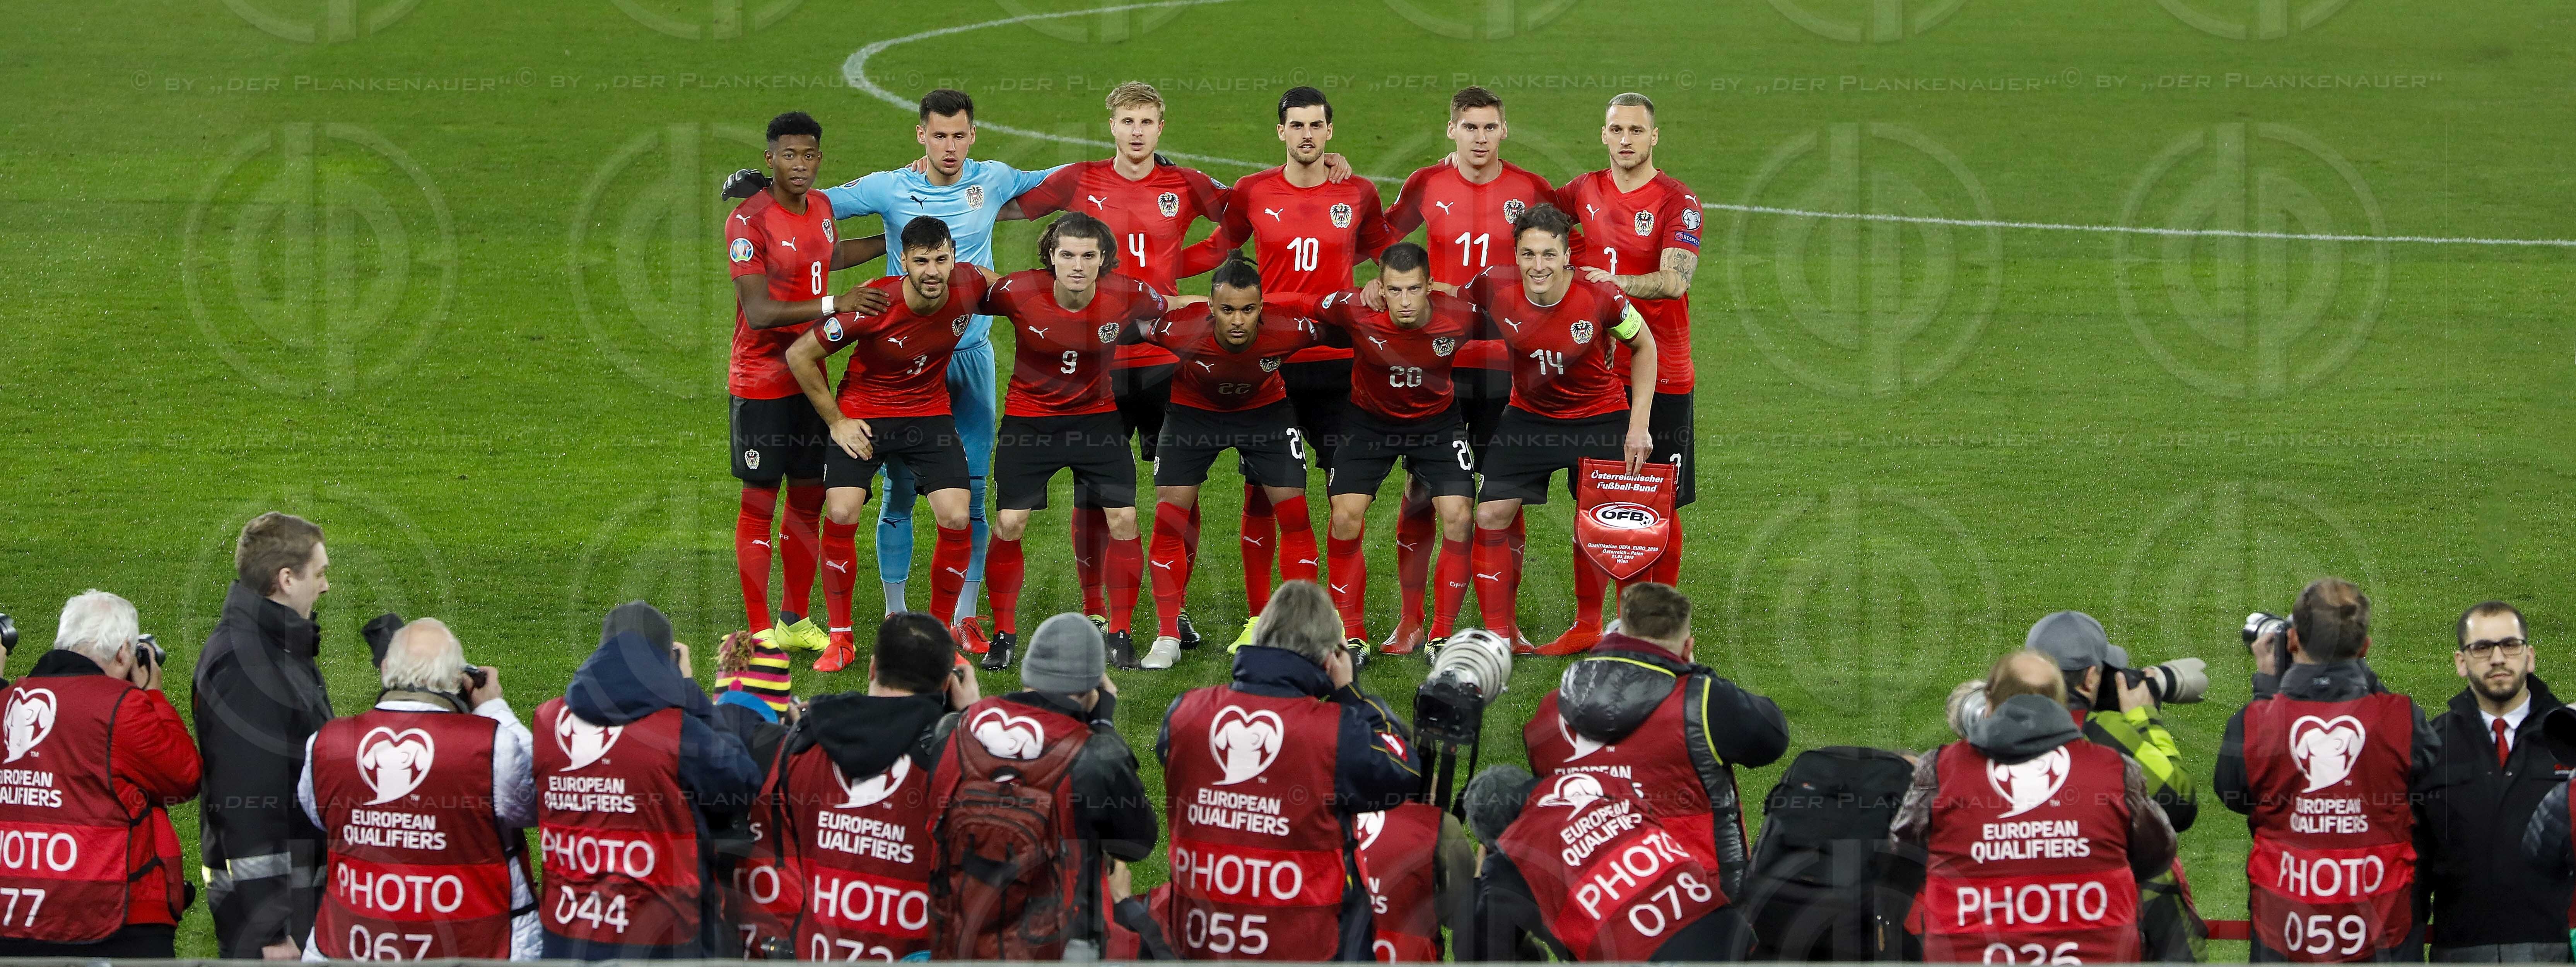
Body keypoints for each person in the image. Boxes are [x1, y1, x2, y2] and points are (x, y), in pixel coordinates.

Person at [1195, 87, 1401, 646]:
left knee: (1345, 501)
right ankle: (1261, 620)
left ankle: (1347, 628)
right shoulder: (1253, 190)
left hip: (1340, 366)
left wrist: (1384, 285)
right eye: (1297, 125)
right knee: (1262, 493)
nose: (1307, 134)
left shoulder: (1357, 191)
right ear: (1280, 132)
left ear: (1329, 131)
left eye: (1316, 125)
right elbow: (1217, 249)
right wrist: (1153, 271)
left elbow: (1387, 252)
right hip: (1271, 364)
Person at [1375, 84, 1560, 656]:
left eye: (1490, 127)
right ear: (1452, 130)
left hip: (1510, 366)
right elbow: (1379, 238)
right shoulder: (1426, 184)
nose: (1480, 138)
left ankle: (1505, 624)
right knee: (1421, 490)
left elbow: (1562, 255)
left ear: (1505, 130)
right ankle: (1412, 621)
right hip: (1440, 365)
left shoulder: (1530, 189)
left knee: (1507, 494)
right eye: (1470, 127)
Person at [1155, 580, 1421, 960]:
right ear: (1329, 657)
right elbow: (1403, 770)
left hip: (1201, 943)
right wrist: (1350, 691)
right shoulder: (1336, 732)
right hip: (1308, 946)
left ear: (1260, 636)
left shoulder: (1185, 713)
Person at [783, 216, 995, 672]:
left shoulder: (970, 283)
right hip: (866, 413)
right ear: (904, 261)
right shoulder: (876, 303)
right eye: (921, 261)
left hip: (928, 413)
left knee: (957, 515)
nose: (932, 271)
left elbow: (1015, 292)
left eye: (941, 259)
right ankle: (841, 638)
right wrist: (837, 421)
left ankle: (937, 637)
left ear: (954, 258)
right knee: (842, 511)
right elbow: (799, 354)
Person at [723, 110, 891, 659]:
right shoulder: (747, 222)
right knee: (759, 504)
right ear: (770, 158)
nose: (800, 165)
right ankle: (758, 632)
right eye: (789, 155)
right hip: (761, 382)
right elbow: (759, 311)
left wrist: (889, 240)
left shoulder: (820, 207)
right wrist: (836, 303)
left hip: (810, 379)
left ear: (821, 158)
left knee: (807, 499)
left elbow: (827, 255)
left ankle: (793, 619)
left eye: (809, 155)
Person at [1891, 651, 2177, 964]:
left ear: (1989, 700)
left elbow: (1901, 855)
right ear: (2062, 702)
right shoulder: (2113, 768)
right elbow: (2158, 852)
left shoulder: (1941, 769)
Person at [974, 213, 1168, 671]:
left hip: (1096, 420)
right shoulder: (1018, 290)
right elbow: (972, 285)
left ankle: (1120, 633)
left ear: (1104, 259)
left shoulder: (1129, 293)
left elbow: (1169, 306)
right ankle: (1004, 634)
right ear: (1051, 256)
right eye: (1067, 255)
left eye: (1088, 256)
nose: (1077, 265)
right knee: (1010, 521)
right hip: (1030, 421)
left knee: (1124, 517)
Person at [1462, 204, 1657, 650]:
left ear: (1568, 255)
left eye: (1549, 254)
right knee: (1490, 514)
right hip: (1529, 416)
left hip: (1598, 416)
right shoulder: (1493, 284)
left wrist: (1638, 426)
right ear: (1516, 254)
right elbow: (1447, 299)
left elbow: (1645, 345)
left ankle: (1591, 626)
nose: (1538, 265)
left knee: (1604, 523)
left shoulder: (1601, 295)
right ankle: (1499, 635)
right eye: (1528, 254)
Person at [1548, 91, 1702, 650]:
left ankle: (1654, 631)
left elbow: (1675, 281)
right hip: (1592, 370)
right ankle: (1588, 624)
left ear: (1654, 137)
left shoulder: (1678, 202)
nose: (1626, 139)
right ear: (1604, 134)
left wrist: (1610, 285)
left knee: (1658, 499)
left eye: (1637, 130)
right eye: (1617, 129)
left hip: (1663, 371)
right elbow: (1526, 214)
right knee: (1594, 495)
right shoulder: (1581, 191)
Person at [2216, 577, 2438, 962]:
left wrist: (2269, 687)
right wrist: (2360, 678)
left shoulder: (2254, 723)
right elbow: (2426, 778)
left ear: (2292, 640)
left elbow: (2234, 792)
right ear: (2365, 647)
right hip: (2385, 935)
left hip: (2284, 936)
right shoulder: (2402, 719)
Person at [1523, 582, 1785, 899]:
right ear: (1687, 647)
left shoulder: (1552, 710)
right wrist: (1698, 675)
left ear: (1616, 634)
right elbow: (1773, 737)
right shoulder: (1703, 700)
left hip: (1594, 895)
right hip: (1695, 895)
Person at [536, 601, 764, 959]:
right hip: (663, 941)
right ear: (664, 659)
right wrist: (689, 690)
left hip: (565, 935)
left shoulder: (547, 720)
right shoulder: (676, 730)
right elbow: (741, 781)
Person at [297, 619, 536, 959]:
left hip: (351, 946)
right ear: (457, 680)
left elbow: (320, 815)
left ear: (386, 670)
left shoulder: (326, 743)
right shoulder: (490, 744)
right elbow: (543, 799)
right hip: (478, 945)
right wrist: (494, 707)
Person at [929, 613, 1158, 959]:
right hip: (1056, 948)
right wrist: (1103, 727)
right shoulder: (1095, 757)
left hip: (956, 940)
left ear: (1028, 675)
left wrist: (967, 712)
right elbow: (1138, 843)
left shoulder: (954, 729)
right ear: (1092, 688)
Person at [747, 612, 974, 961]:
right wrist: (973, 714)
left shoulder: (802, 745)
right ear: (947, 686)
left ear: (871, 669)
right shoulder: (958, 762)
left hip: (814, 952)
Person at [1137, 254, 1326, 670]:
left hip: (1265, 414)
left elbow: (1343, 327)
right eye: (1227, 310)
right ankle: (1167, 636)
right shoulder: (1179, 328)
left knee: (1295, 514)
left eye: (1248, 309)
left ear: (1263, 307)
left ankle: (1302, 633)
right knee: (1169, 518)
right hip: (1192, 415)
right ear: (1210, 306)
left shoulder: (1289, 329)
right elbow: (1127, 325)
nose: (1238, 320)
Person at [1293, 242, 1480, 656]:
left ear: (1430, 286)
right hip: (1369, 422)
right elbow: (1305, 303)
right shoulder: (1355, 308)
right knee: (1345, 515)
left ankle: (1441, 634)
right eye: (1394, 290)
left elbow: (1522, 320)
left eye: (1414, 289)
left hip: (1436, 423)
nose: (1405, 301)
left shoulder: (1460, 315)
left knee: (1460, 516)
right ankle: (1350, 634)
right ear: (1380, 287)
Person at [0, 591, 197, 958]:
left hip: (14, 917)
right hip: (111, 920)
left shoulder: (7, 700)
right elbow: (183, 776)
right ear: (124, 653)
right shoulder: (121, 707)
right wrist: (154, 696)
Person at [2024, 610, 2207, 960]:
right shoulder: (2105, 730)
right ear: (2090, 678)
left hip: (2026, 912)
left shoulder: (1996, 732)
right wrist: (2144, 718)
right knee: (2156, 868)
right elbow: (2180, 802)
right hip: (2104, 915)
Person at [196, 510, 335, 958]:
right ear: (287, 579)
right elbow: (247, 799)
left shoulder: (276, 647)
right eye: (320, 573)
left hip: (293, 895)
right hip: (279, 914)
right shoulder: (249, 664)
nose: (326, 586)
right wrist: (271, 929)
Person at [1459, 763, 1737, 961]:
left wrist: (1481, 876)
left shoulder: (1511, 859)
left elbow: (1476, 956)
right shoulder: (1603, 784)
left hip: (1652, 956)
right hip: (1728, 928)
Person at [2424, 600, 2571, 961]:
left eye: (2510, 645)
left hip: (2554, 948)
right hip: (2460, 949)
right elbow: (2414, 857)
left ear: (2529, 656)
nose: (2498, 658)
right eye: (2482, 648)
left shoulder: (2570, 736)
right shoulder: (2433, 744)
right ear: (2461, 661)